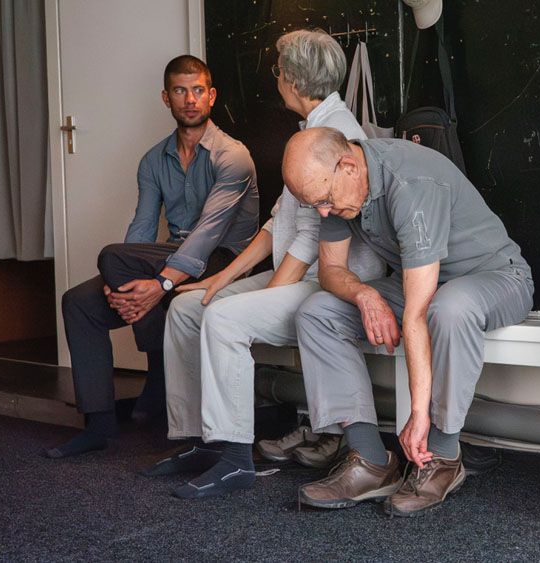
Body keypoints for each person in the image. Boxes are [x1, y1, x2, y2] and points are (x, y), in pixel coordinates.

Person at [153, 30, 385, 499]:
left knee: (222, 317)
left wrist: (264, 295)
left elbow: (311, 238)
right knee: (188, 309)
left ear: (295, 81)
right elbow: (280, 222)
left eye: (279, 71)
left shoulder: (339, 135)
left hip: (329, 282)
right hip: (298, 273)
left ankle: (236, 461)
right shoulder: (309, 131)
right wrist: (222, 277)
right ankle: (206, 439)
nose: (276, 78)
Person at [283, 128, 534, 517]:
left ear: (348, 166)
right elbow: (331, 269)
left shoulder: (411, 183)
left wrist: (420, 414)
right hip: (426, 284)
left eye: (325, 201)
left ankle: (444, 456)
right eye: (313, 204)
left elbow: (418, 312)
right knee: (318, 312)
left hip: (497, 277)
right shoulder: (334, 189)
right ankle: (369, 460)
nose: (323, 213)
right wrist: (366, 295)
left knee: (449, 308)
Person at [45, 55, 259, 459]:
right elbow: (142, 230)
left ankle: (157, 382)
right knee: (79, 301)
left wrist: (159, 284)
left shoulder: (233, 156)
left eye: (198, 90)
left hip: (224, 259)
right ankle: (99, 423)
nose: (190, 99)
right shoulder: (153, 160)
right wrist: (119, 283)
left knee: (114, 256)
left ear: (211, 96)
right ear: (166, 98)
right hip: (168, 257)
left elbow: (207, 235)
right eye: (180, 91)